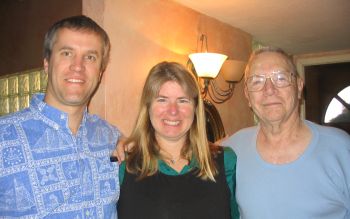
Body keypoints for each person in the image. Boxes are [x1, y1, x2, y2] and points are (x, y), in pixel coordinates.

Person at [0, 15, 121, 218]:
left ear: (100, 72)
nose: (78, 66)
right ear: (47, 64)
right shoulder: (4, 137)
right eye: (66, 53)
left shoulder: (111, 137)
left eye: (90, 57)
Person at [221, 47, 350, 218]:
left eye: (280, 78)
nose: (269, 89)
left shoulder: (340, 148)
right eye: (257, 81)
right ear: (247, 95)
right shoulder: (232, 150)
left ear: (298, 86)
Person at [117, 61, 239, 219]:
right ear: (148, 107)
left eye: (183, 100)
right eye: (162, 100)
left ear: (195, 108)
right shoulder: (123, 166)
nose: (173, 111)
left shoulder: (226, 161)